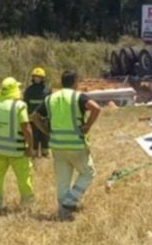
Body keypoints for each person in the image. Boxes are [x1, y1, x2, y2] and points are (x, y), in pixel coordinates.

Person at [31, 70, 101, 221]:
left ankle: (63, 211)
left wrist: (46, 131)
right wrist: (88, 126)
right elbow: (96, 108)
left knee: (63, 179)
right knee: (88, 173)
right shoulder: (78, 97)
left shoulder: (51, 98)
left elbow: (35, 116)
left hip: (57, 144)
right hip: (75, 144)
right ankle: (71, 200)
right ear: (75, 81)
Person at [0, 77, 34, 213]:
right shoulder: (19, 106)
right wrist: (30, 147)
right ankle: (27, 204)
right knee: (24, 177)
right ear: (14, 90)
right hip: (17, 151)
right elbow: (26, 127)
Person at [23, 67, 52, 157]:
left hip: (44, 118)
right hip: (32, 118)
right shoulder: (28, 90)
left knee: (45, 136)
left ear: (43, 78)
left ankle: (45, 153)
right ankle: (34, 154)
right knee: (34, 137)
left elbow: (50, 104)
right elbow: (25, 103)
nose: (37, 78)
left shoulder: (47, 90)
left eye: (39, 77)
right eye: (35, 76)